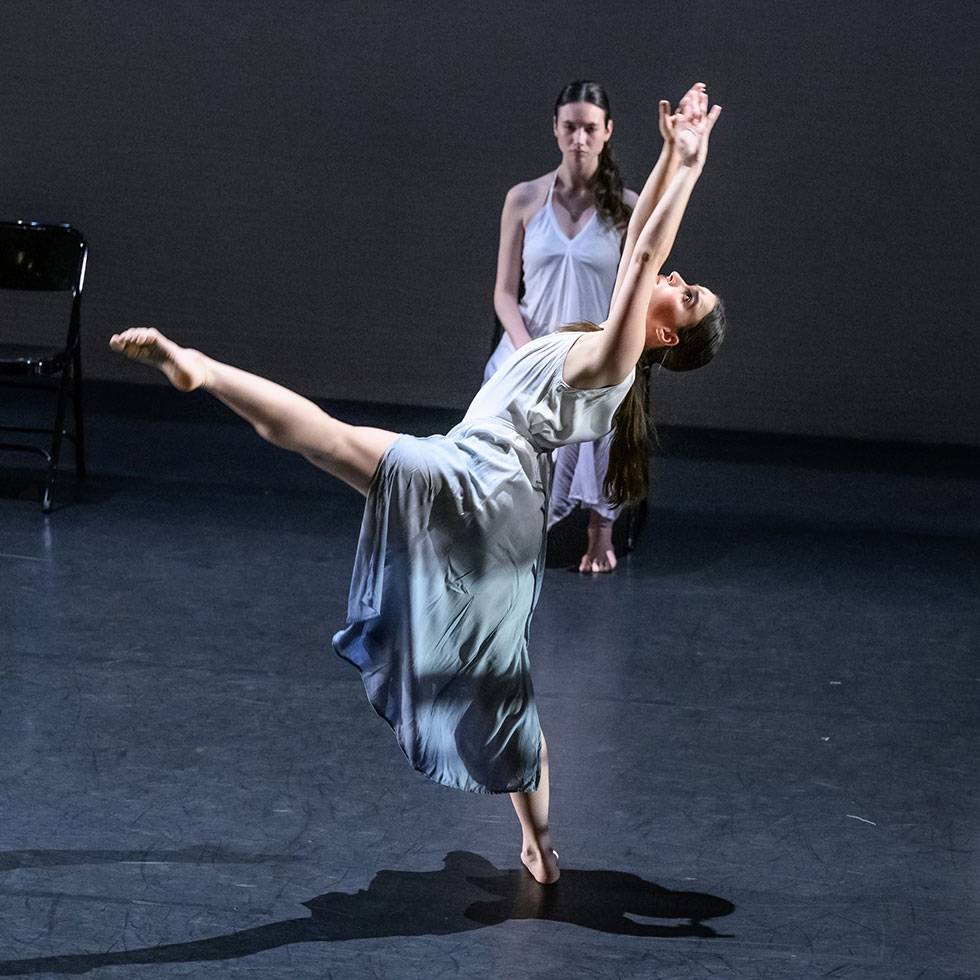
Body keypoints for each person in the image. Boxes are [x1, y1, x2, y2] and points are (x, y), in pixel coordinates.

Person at [109, 84, 725, 886]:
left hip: (483, 486)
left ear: (667, 332)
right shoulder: (610, 334)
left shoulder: (612, 365)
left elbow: (643, 253)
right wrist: (678, 160)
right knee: (505, 691)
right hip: (493, 494)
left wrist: (685, 164)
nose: (673, 275)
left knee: (332, 444)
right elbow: (640, 239)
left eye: (687, 290)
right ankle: (541, 849)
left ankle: (202, 370)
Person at [486, 81, 705, 573]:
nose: (579, 139)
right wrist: (525, 348)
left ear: (606, 132)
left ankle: (599, 532)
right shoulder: (524, 198)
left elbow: (647, 248)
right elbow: (504, 291)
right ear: (556, 131)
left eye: (589, 128)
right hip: (528, 345)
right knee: (510, 448)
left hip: (589, 343)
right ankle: (500, 534)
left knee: (599, 426)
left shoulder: (625, 206)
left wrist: (679, 153)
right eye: (570, 127)